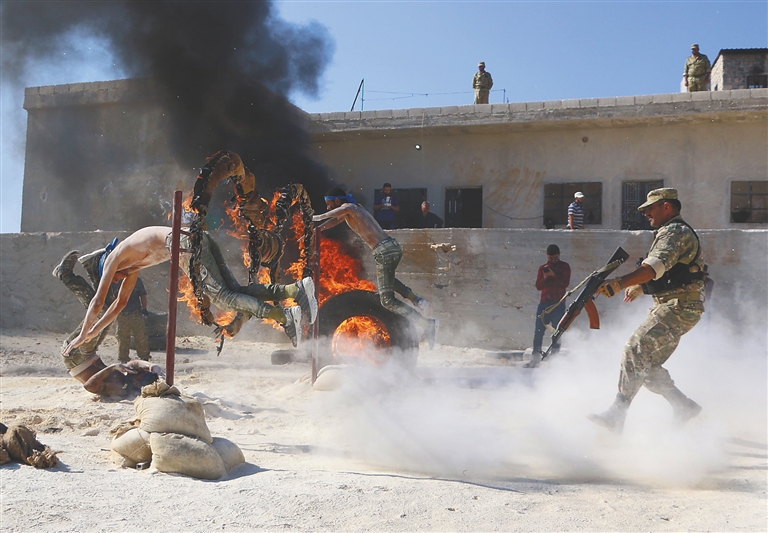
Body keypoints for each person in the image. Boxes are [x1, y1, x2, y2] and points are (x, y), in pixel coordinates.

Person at [61, 226, 317, 357]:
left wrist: (81, 336)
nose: (116, 280)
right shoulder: (133, 266)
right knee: (235, 291)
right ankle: (295, 289)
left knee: (223, 299)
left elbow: (98, 301)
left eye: (113, 278)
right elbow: (118, 304)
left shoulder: (114, 257)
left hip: (184, 244)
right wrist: (91, 334)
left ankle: (284, 316)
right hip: (196, 238)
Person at [590, 188, 705, 433]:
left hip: (679, 306)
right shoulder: (671, 232)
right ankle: (683, 405)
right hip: (674, 305)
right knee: (645, 366)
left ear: (667, 206)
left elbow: (654, 268)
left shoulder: (674, 232)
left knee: (634, 348)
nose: (646, 214)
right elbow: (673, 275)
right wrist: (641, 287)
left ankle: (616, 414)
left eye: (650, 208)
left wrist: (620, 283)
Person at [313, 187, 438, 349]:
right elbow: (334, 220)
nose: (328, 207)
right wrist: (317, 229)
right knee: (387, 281)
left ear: (337, 200)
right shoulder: (351, 212)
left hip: (384, 250)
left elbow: (340, 211)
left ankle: (427, 324)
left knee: (387, 301)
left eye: (329, 204)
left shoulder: (350, 207)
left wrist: (315, 217)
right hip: (389, 248)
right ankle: (418, 300)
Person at [525, 244, 571, 368]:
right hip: (544, 304)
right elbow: (538, 286)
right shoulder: (543, 268)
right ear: (547, 256)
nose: (553, 260)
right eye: (551, 258)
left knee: (557, 333)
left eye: (555, 257)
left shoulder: (564, 267)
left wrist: (554, 275)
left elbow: (565, 284)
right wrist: (545, 277)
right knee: (538, 333)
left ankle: (554, 362)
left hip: (558, 304)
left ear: (559, 255)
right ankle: (535, 360)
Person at [114, 276, 150, 363]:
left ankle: (144, 357)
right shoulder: (114, 281)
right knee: (123, 338)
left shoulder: (136, 280)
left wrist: (144, 309)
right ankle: (123, 359)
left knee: (140, 336)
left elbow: (143, 296)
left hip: (135, 314)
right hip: (121, 315)